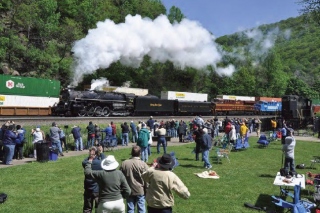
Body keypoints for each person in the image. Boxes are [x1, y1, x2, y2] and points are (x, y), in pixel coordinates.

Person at [120, 146, 149, 213]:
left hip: (129, 189)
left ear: (131, 153)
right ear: (140, 153)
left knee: (130, 209)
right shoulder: (143, 164)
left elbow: (120, 177)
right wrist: (147, 189)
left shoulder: (124, 163)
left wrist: (122, 188)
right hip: (140, 189)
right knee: (141, 208)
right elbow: (147, 178)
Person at [82, 146, 106, 213]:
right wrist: (100, 152)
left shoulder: (85, 163)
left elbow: (84, 161)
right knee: (99, 208)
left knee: (87, 209)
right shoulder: (99, 163)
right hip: (97, 189)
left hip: (88, 189)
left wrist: (90, 157)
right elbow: (105, 159)